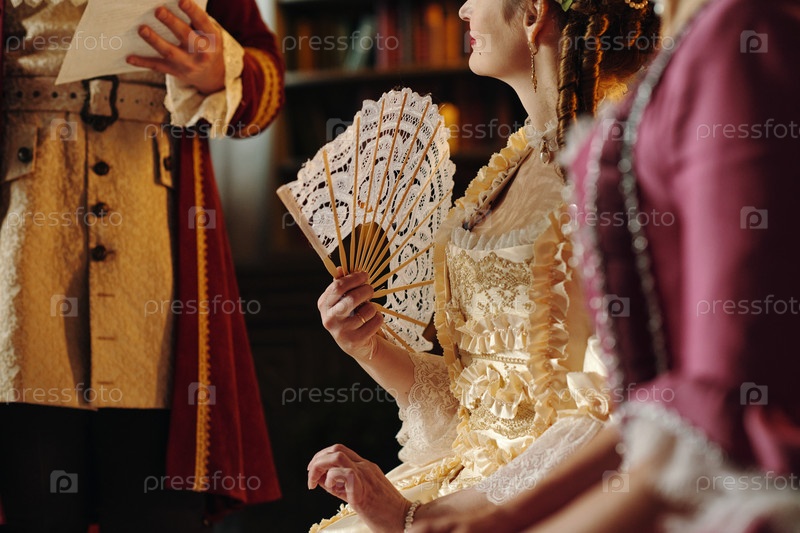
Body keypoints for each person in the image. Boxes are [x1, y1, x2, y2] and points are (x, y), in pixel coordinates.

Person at [408, 0, 800, 531]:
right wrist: (499, 517)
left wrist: (506, 519)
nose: (460, 9)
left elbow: (720, 402)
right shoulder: (683, 58)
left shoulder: (737, 38)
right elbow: (656, 407)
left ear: (534, 14)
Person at [306, 0, 659, 530]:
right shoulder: (513, 165)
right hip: (473, 484)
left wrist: (426, 515)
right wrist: (371, 348)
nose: (464, 10)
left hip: (560, 501)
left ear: (533, 13)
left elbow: (619, 412)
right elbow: (478, 411)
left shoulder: (617, 171)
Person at [0, 0, 284, 530]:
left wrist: (218, 71)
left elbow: (265, 79)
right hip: (24, 242)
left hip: (158, 244)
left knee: (158, 507)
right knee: (32, 495)